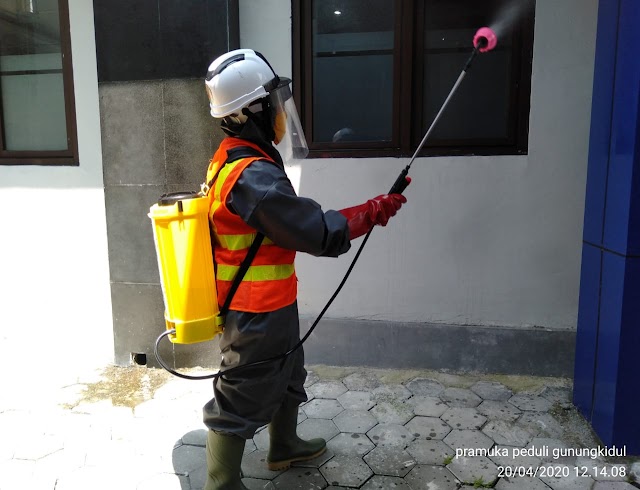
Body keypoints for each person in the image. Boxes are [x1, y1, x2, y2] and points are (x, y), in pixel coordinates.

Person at [201, 49, 409, 490]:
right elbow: (313, 231)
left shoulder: (236, 156)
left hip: (273, 303)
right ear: (249, 111)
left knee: (289, 371)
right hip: (254, 312)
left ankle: (284, 446)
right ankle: (220, 484)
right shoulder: (250, 175)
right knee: (241, 394)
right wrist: (371, 211)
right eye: (274, 103)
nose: (281, 112)